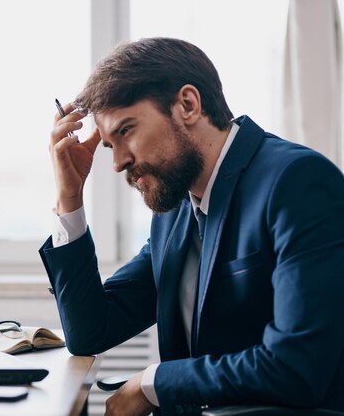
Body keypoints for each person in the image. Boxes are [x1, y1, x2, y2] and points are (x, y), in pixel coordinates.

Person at [39, 37, 344, 416]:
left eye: (127, 131)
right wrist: (69, 199)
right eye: (109, 146)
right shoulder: (175, 210)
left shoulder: (297, 182)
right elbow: (90, 331)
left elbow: (297, 367)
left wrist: (153, 384)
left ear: (187, 105)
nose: (117, 162)